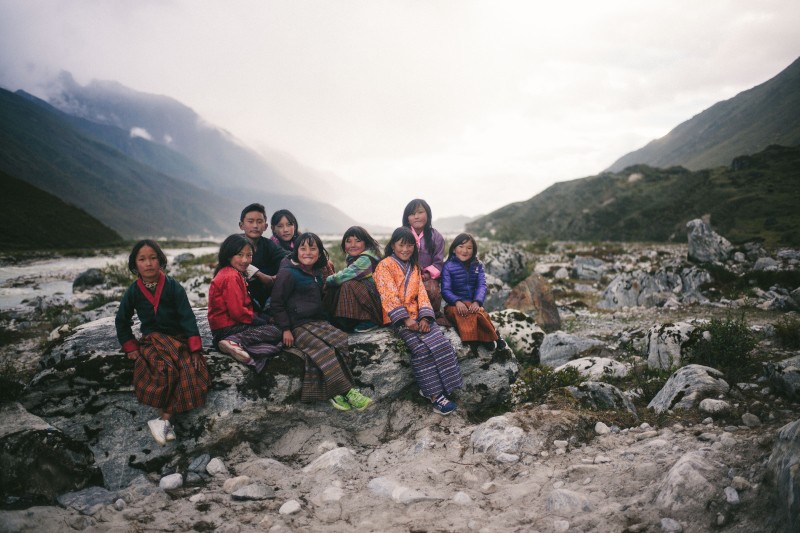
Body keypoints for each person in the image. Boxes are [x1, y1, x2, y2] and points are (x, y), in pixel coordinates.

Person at [115, 240, 209, 446]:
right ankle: (165, 422)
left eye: (153, 258)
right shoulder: (133, 291)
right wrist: (130, 347)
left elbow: (187, 318)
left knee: (189, 369)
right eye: (142, 259)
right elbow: (121, 320)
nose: (148, 263)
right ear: (135, 265)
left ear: (161, 261)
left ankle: (163, 420)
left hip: (178, 339)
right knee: (162, 369)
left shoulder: (174, 287)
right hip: (153, 341)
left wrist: (194, 349)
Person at [270, 232, 373, 411]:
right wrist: (285, 329)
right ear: (296, 252)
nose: (307, 252)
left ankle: (333, 390)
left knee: (339, 339)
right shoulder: (287, 273)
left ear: (319, 252)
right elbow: (276, 304)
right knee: (322, 351)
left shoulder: (317, 272)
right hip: (297, 325)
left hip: (316, 321)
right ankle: (347, 392)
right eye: (303, 248)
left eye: (313, 248)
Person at [374, 227, 463, 415]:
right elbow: (388, 295)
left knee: (442, 343)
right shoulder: (384, 265)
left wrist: (425, 317)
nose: (405, 249)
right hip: (396, 317)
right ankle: (433, 396)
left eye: (409, 245)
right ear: (392, 245)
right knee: (421, 349)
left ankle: (447, 387)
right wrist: (405, 319)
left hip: (418, 314)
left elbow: (422, 293)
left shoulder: (414, 267)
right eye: (401, 245)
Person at [207, 234, 284, 372]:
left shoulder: (230, 272)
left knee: (271, 326)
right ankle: (234, 341)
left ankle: (234, 343)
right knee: (276, 331)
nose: (245, 260)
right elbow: (238, 313)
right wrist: (261, 322)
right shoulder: (231, 276)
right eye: (240, 255)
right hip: (228, 328)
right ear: (228, 255)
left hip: (225, 327)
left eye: (249, 255)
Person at [441, 233, 507, 350]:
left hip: (472, 304)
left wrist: (477, 302)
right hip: (454, 306)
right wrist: (457, 301)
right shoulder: (448, 266)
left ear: (474, 250)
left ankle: (491, 338)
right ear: (454, 248)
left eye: (469, 248)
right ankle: (490, 338)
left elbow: (482, 285)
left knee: (479, 312)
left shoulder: (478, 265)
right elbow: (445, 289)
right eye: (461, 246)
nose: (464, 250)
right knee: (465, 314)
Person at [323, 226, 383, 333]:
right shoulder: (353, 258)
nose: (353, 245)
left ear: (366, 243)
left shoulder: (367, 258)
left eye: (357, 241)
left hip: (378, 304)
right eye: (349, 241)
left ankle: (370, 320)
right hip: (369, 299)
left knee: (348, 284)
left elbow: (345, 275)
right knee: (343, 285)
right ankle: (343, 320)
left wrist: (328, 280)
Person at [401, 199, 447, 323]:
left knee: (432, 291)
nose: (416, 217)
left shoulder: (436, 236)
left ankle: (430, 317)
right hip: (403, 276)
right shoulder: (402, 234)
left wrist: (426, 274)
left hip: (427, 277)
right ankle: (405, 317)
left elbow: (438, 264)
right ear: (407, 218)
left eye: (420, 212)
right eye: (412, 214)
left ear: (428, 214)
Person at [239, 203, 290, 312]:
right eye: (250, 221)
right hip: (240, 295)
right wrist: (259, 274)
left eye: (259, 221)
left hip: (264, 296)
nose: (255, 226)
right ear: (241, 225)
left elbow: (286, 256)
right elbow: (228, 259)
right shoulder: (234, 242)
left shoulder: (268, 244)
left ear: (265, 226)